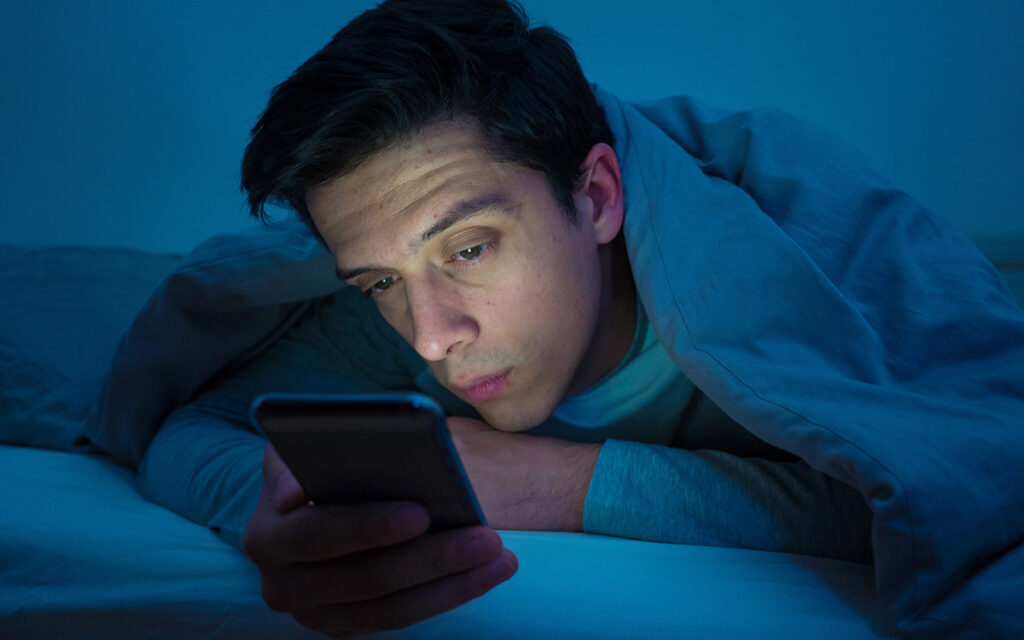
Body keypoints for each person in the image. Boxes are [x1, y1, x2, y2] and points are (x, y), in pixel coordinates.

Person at [119, 0, 1024, 638]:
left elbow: (966, 482)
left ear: (595, 197)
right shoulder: (383, 317)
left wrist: (557, 482)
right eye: (379, 283)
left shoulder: (779, 255)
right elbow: (186, 428)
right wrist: (268, 507)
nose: (431, 336)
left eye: (468, 248)